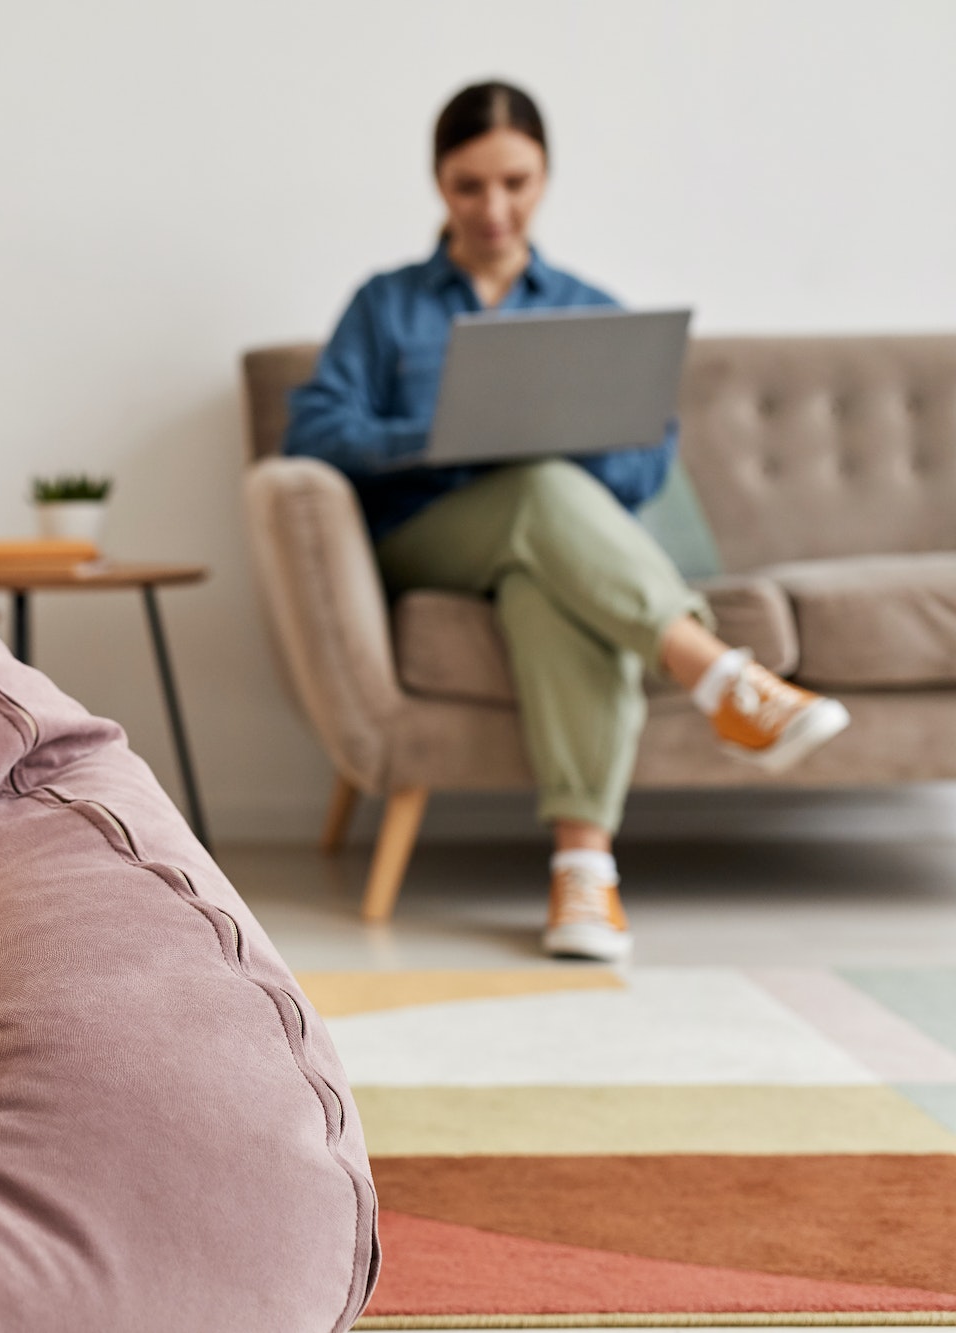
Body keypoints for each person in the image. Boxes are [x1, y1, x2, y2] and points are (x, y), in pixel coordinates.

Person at [285, 81, 849, 962]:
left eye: (515, 183)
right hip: (427, 539)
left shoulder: (590, 307)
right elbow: (315, 431)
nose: (494, 208)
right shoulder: (386, 305)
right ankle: (720, 674)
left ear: (545, 177)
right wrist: (447, 435)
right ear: (439, 183)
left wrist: (561, 442)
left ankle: (582, 874)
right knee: (535, 492)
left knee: (545, 569)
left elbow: (645, 467)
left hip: (550, 549)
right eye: (470, 186)